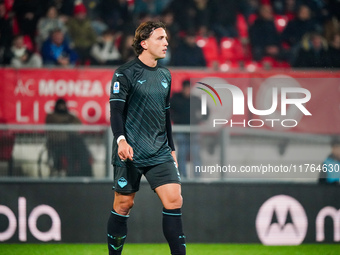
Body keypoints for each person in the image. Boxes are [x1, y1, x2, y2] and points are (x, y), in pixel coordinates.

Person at [108, 21, 186, 255]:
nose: (166, 43)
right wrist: (121, 140)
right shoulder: (124, 73)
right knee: (124, 205)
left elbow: (165, 115)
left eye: (166, 38)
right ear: (144, 43)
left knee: (174, 200)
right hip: (130, 150)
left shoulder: (165, 75)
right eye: (160, 38)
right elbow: (116, 112)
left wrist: (171, 148)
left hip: (159, 150)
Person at [45, 98, 92, 177]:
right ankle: (71, 174)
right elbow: (56, 120)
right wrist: (67, 119)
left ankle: (85, 171)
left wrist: (68, 119)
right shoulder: (51, 116)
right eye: (60, 106)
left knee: (82, 150)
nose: (62, 108)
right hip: (58, 144)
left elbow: (78, 122)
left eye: (63, 105)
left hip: (71, 143)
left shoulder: (70, 116)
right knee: (69, 154)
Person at [170, 80, 206, 178]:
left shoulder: (196, 100)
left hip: (193, 130)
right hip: (181, 130)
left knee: (195, 153)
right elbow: (167, 110)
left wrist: (201, 118)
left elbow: (206, 111)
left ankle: (197, 176)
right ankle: (183, 176)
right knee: (182, 153)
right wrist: (174, 118)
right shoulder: (176, 99)